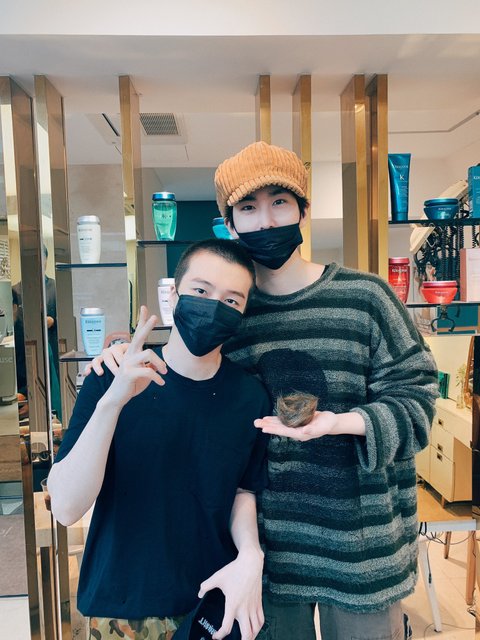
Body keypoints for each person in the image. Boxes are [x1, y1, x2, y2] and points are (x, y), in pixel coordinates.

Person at [91, 142, 439, 640]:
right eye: (249, 208)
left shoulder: (366, 298)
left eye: (280, 202)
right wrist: (117, 350)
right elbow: (185, 367)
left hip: (362, 553)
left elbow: (419, 399)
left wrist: (343, 423)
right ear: (230, 223)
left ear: (303, 211)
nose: (266, 219)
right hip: (264, 560)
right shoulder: (230, 313)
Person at [48, 239, 270, 640]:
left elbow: (241, 488)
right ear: (173, 296)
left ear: (242, 314)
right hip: (122, 609)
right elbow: (65, 507)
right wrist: (114, 401)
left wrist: (251, 553)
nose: (213, 307)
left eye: (231, 301)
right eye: (200, 291)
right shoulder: (113, 376)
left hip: (210, 604)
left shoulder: (249, 396)